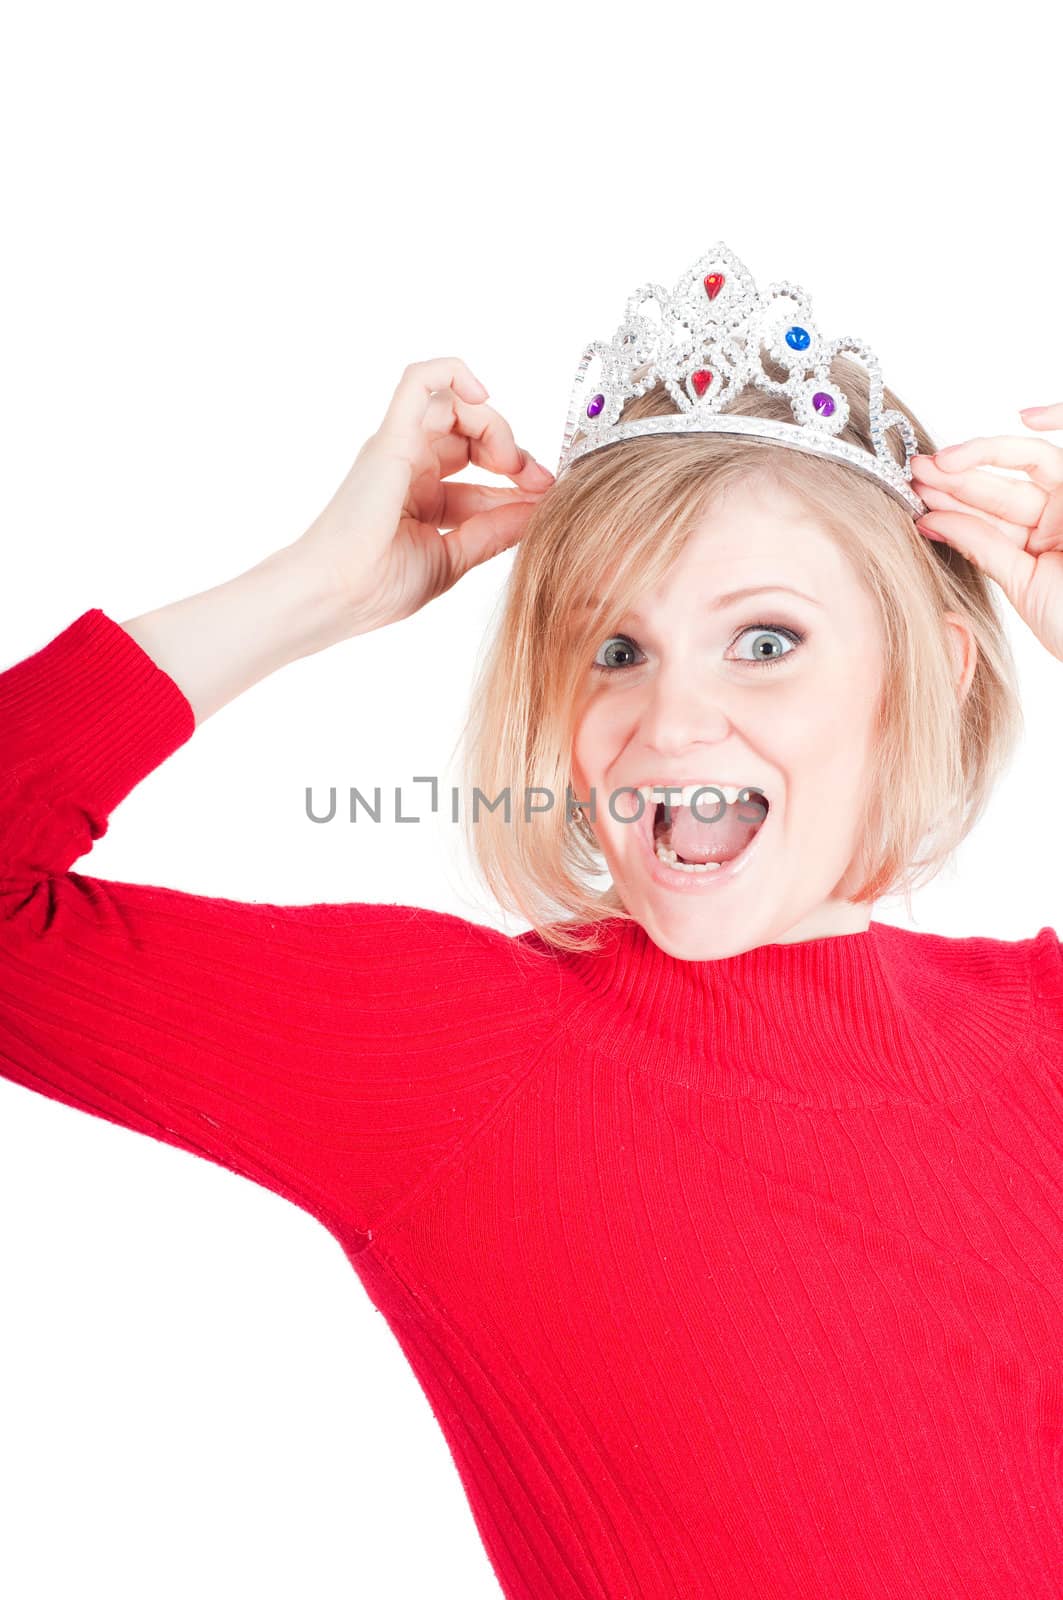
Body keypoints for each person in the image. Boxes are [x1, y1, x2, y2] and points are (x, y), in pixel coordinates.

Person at [2, 240, 1063, 1598]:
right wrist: (315, 593)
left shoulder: (1044, 1022)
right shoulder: (459, 1054)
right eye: (613, 650)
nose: (670, 722)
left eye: (766, 640)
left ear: (930, 667)